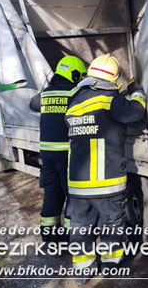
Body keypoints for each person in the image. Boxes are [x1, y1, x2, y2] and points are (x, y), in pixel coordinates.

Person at [65, 53, 146, 280]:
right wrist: (136, 91)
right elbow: (136, 112)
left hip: (78, 187)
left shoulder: (75, 103)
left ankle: (83, 273)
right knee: (112, 227)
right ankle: (111, 267)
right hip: (106, 184)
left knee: (81, 229)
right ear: (112, 79)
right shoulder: (109, 100)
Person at [30, 56, 88, 243]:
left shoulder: (45, 94)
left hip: (47, 156)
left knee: (52, 193)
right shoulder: (74, 92)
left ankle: (49, 236)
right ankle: (70, 237)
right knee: (72, 195)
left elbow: (32, 104)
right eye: (80, 75)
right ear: (74, 74)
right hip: (68, 155)